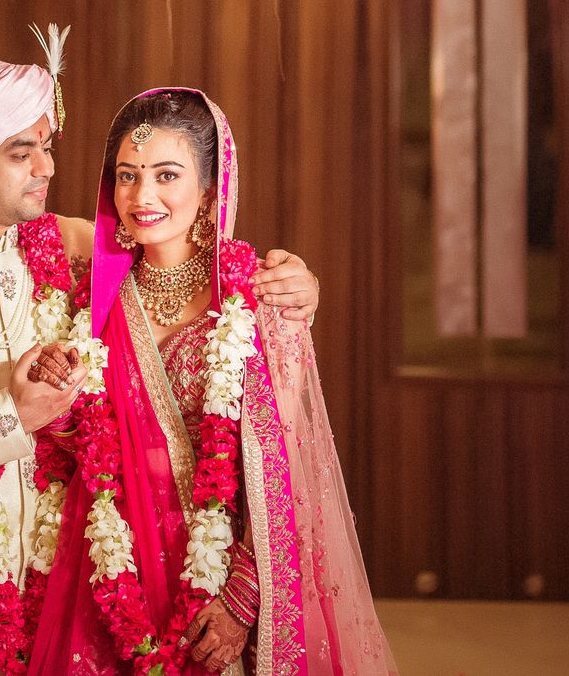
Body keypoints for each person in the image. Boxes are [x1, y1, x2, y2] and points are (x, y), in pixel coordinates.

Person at [0, 52, 320, 676]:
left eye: (47, 146)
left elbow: (181, 248)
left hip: (81, 583)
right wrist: (12, 416)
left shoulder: (75, 248)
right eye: (20, 152)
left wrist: (298, 285)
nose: (47, 168)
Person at [28, 88, 396, 676]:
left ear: (208, 189)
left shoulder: (260, 300)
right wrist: (54, 398)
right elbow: (87, 450)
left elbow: (290, 469)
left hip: (223, 579)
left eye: (166, 175)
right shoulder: (94, 299)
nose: (142, 197)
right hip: (110, 570)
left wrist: (243, 600)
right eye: (126, 176)